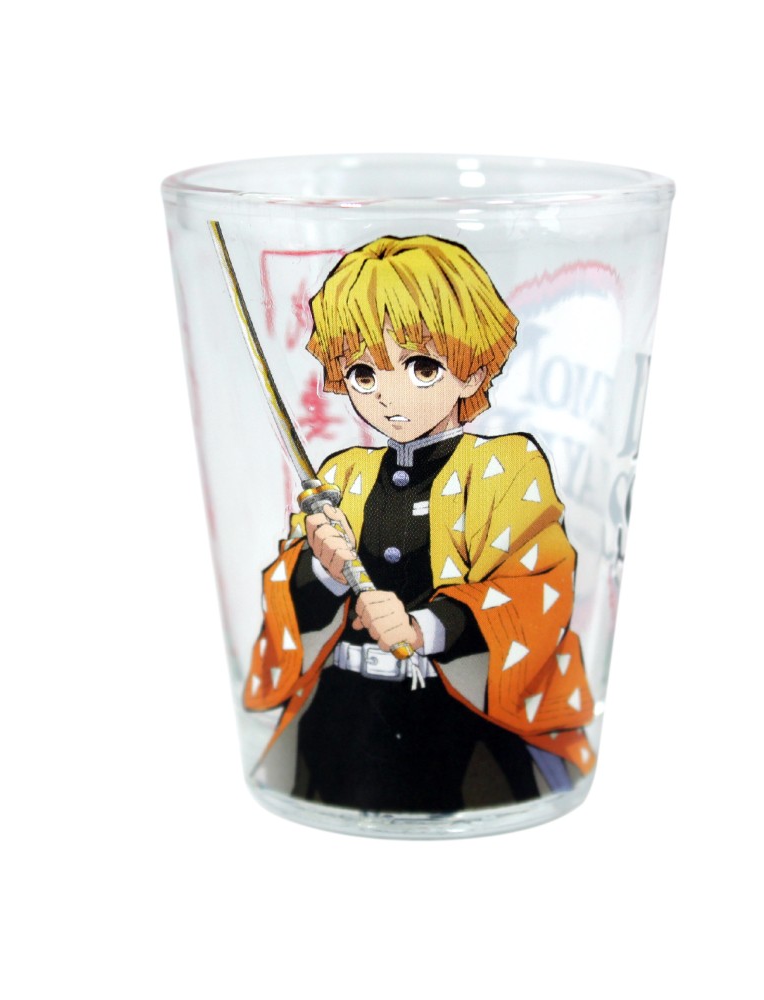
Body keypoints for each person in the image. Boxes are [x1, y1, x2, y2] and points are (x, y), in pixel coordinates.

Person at [244, 235, 595, 812]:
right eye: (363, 374)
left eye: (422, 367)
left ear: (473, 368)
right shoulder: (342, 475)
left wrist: (425, 628)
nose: (390, 397)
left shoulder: (505, 467)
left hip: (460, 733)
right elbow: (285, 605)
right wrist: (323, 571)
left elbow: (534, 590)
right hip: (341, 724)